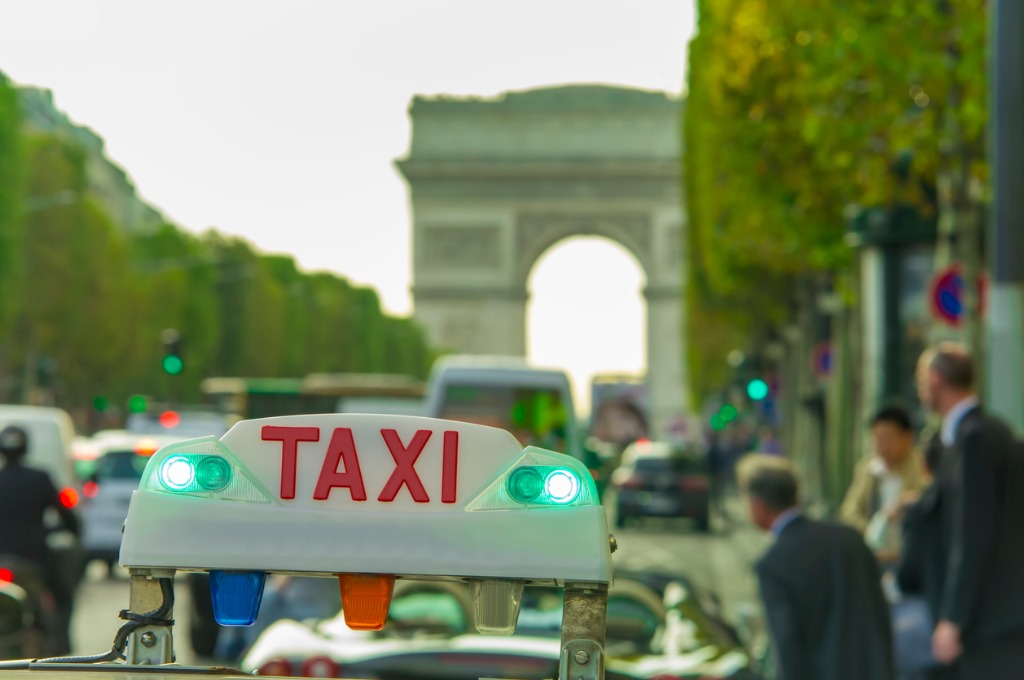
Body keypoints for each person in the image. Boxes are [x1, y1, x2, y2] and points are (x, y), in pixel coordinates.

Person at [916, 343, 1024, 677]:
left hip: (990, 620)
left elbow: (972, 530)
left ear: (934, 381)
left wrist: (953, 617)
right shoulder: (990, 431)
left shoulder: (972, 439)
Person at [738, 454, 895, 680]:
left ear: (758, 506)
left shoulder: (773, 563)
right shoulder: (849, 538)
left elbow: (787, 647)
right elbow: (880, 619)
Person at [0, 424, 81, 655]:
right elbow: (68, 518)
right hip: (32, 562)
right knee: (61, 598)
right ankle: (60, 650)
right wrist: (61, 530)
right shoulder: (40, 478)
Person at [838, 405, 930, 565]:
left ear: (907, 438)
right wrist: (874, 528)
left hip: (910, 557)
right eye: (877, 438)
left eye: (888, 438)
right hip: (873, 556)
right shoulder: (868, 469)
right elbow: (848, 513)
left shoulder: (921, 467)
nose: (882, 446)